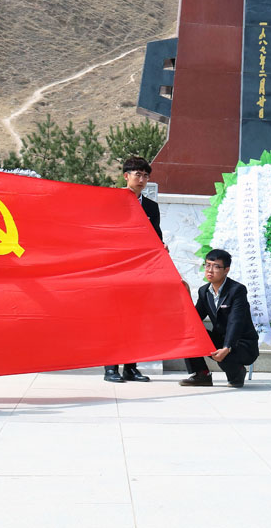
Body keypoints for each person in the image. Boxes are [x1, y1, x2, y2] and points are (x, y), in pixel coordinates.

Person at [104, 156, 163, 383]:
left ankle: (131, 367)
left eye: (146, 176)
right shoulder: (112, 201)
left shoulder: (151, 207)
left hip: (140, 272)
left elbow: (156, 236)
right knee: (115, 319)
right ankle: (111, 368)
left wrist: (160, 247)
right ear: (126, 176)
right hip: (116, 270)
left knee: (136, 319)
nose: (142, 179)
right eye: (138, 175)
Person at [180, 249, 260, 388]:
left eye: (216, 266)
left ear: (226, 270)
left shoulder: (237, 290)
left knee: (225, 357)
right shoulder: (204, 291)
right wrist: (186, 297)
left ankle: (238, 372)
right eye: (207, 265)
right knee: (187, 332)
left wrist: (227, 347)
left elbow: (236, 321)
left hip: (242, 344)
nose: (210, 270)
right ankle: (202, 374)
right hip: (220, 340)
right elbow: (195, 320)